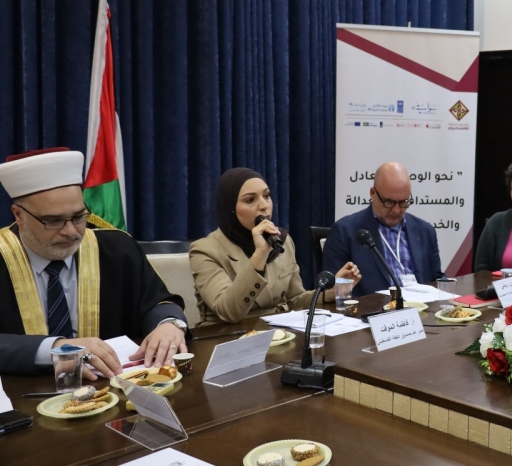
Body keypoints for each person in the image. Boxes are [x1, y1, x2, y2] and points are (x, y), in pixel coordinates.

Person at [0, 148, 188, 377]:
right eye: (53, 221)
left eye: (79, 217)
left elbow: (157, 303)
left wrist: (168, 325)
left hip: (114, 389)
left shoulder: (117, 248)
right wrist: (56, 348)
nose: (71, 232)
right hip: (22, 398)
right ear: (18, 215)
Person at [189, 168, 361, 324]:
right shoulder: (205, 250)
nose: (264, 205)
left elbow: (295, 300)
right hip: (227, 340)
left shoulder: (282, 240)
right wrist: (259, 255)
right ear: (230, 209)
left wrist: (334, 291)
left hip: (279, 336)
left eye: (266, 195)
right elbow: (228, 311)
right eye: (250, 200)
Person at [323, 162, 443, 297]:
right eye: (389, 202)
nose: (397, 210)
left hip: (422, 312)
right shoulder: (345, 232)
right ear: (373, 194)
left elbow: (437, 280)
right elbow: (332, 292)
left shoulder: (425, 231)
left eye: (403, 202)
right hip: (371, 313)